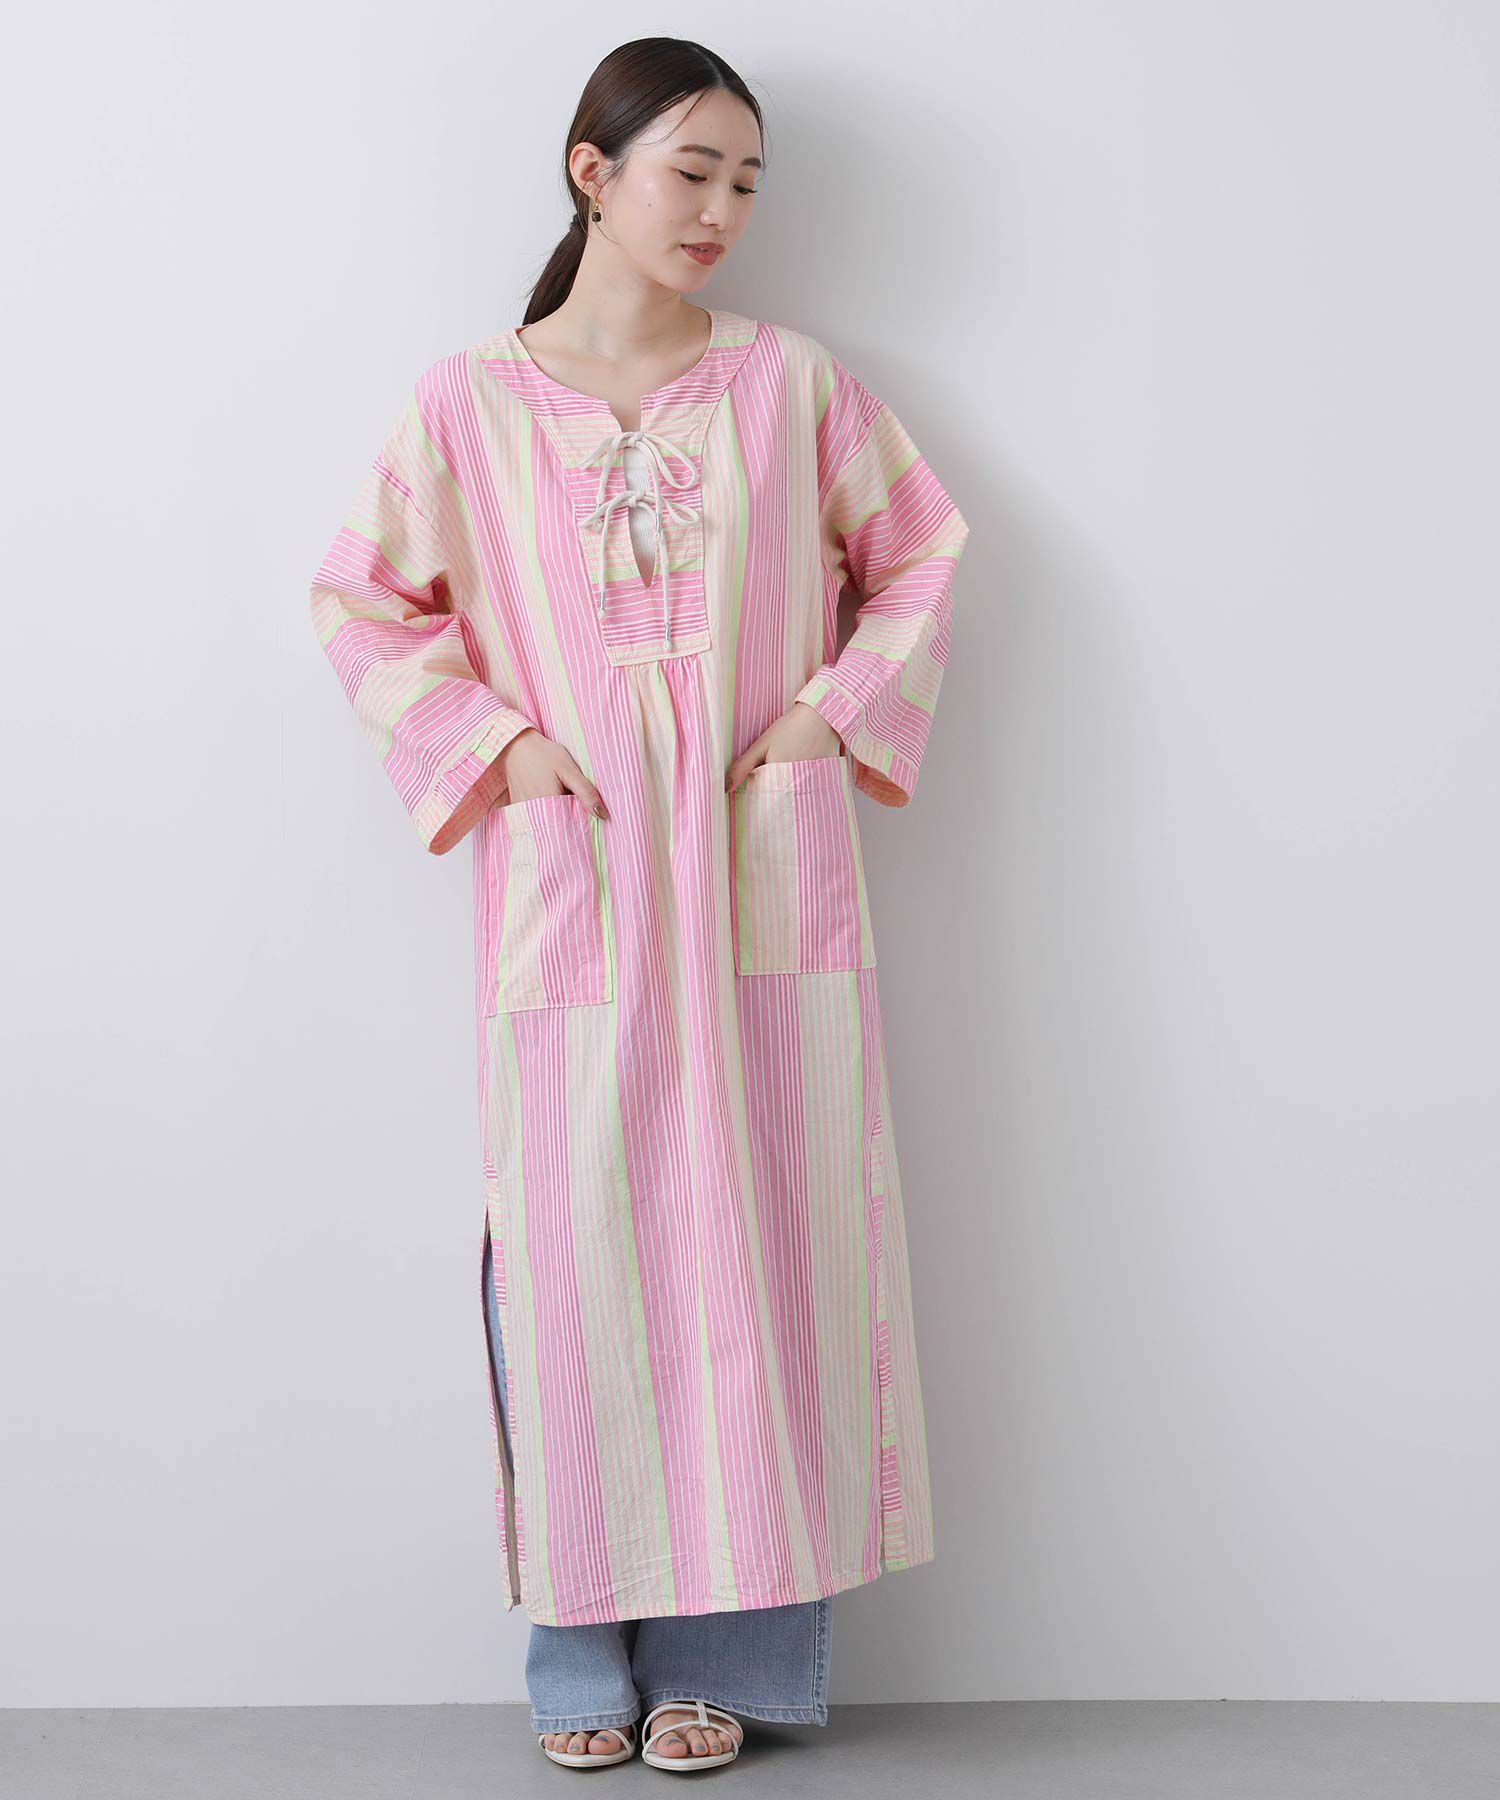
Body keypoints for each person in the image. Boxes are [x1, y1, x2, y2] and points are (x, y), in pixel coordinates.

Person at [308, 35, 969, 1773]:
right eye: (693, 170)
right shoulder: (467, 407)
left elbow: (920, 552)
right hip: (579, 882)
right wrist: (502, 750)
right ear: (592, 172)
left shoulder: (791, 387)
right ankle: (579, 1666)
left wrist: (828, 714)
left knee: (765, 1244)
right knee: (576, 1257)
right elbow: (361, 602)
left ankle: (729, 1666)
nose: (723, 208)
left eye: (748, 180)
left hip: (756, 878)